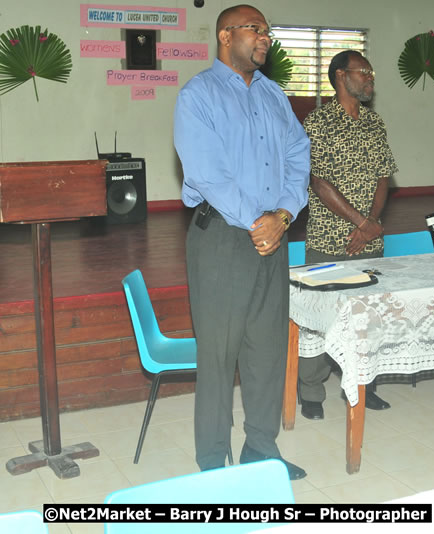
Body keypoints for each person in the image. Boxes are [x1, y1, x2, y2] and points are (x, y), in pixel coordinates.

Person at [174, 5, 310, 480]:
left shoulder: (275, 96)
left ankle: (260, 450)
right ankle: (213, 464)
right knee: (218, 354)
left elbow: (298, 156)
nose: (266, 38)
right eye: (256, 29)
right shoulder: (199, 95)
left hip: (273, 237)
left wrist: (284, 215)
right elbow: (207, 173)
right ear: (225, 35)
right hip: (224, 241)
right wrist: (260, 221)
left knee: (267, 349)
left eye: (268, 31)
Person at [299, 50, 397, 418]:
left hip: (369, 239)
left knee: (368, 317)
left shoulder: (375, 123)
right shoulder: (318, 122)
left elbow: (384, 175)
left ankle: (364, 383)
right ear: (341, 76)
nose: (370, 78)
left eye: (371, 72)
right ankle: (310, 393)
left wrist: (372, 223)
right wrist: (361, 222)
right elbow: (318, 181)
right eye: (364, 72)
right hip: (329, 238)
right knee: (320, 318)